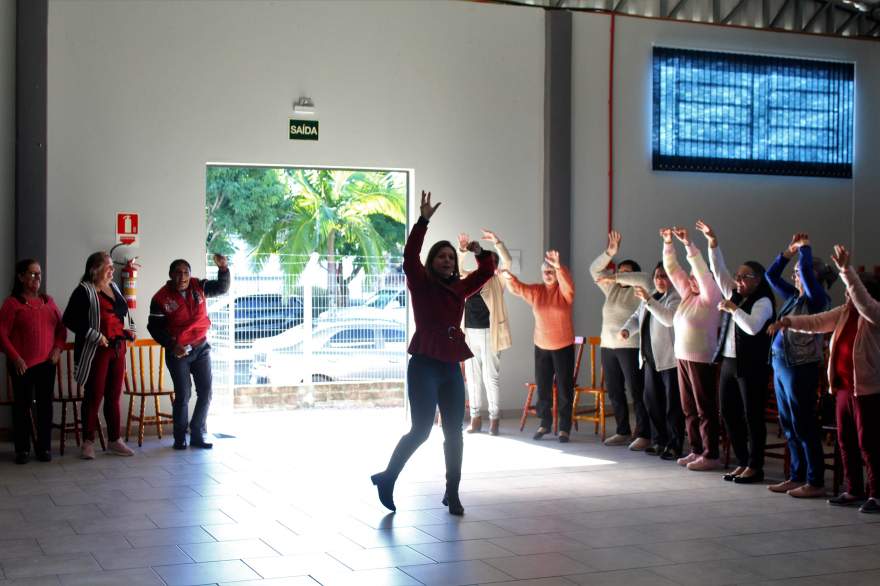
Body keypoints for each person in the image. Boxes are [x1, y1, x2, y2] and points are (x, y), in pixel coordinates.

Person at [371, 191, 494, 516]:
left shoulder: (459, 288)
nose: (447, 261)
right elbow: (410, 255)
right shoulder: (421, 282)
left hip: (451, 367)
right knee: (422, 429)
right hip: (424, 365)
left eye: (451, 258)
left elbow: (486, 272)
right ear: (432, 262)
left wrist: (478, 251)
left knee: (454, 432)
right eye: (441, 256)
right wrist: (423, 221)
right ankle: (388, 477)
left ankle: (452, 493)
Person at [769, 245, 880, 514]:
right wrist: (788, 322)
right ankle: (853, 489)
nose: (847, 296)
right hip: (843, 387)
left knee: (869, 443)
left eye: (851, 292)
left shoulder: (873, 313)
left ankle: (876, 494)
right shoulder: (844, 312)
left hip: (866, 389)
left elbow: (863, 301)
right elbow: (817, 322)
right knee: (846, 441)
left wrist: (845, 270)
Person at [697, 220, 775, 484]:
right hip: (730, 361)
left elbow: (753, 328)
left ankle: (756, 466)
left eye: (745, 277)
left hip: (752, 365)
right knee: (728, 413)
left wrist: (732, 309)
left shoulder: (763, 300)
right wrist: (712, 242)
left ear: (757, 280)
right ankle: (743, 461)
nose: (739, 280)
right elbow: (719, 271)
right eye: (738, 276)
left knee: (752, 415)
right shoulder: (736, 292)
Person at [764, 233, 830, 498]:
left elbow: (805, 270)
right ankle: (796, 475)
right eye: (793, 274)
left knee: (804, 423)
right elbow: (770, 276)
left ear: (811, 277)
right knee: (788, 422)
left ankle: (814, 480)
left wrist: (805, 250)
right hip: (781, 364)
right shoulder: (794, 297)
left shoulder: (817, 300)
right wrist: (788, 251)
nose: (794, 276)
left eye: (799, 274)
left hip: (801, 367)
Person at [147, 254, 230, 450]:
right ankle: (179, 437)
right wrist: (171, 344)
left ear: (190, 275)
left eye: (185, 273)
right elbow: (154, 328)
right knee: (184, 394)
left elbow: (222, 287)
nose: (182, 277)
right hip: (178, 352)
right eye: (177, 273)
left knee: (206, 392)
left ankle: (197, 433)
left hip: (201, 347)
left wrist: (223, 269)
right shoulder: (160, 298)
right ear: (170, 275)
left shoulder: (198, 286)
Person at [63, 251, 136, 459]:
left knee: (114, 396)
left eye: (112, 267)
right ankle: (88, 441)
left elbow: (125, 312)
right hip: (97, 350)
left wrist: (131, 331)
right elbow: (69, 319)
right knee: (94, 395)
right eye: (109, 267)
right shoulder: (84, 291)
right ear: (94, 269)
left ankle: (115, 440)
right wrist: (94, 335)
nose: (112, 270)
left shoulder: (113, 287)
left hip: (117, 348)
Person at [662, 226, 723, 471]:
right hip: (683, 358)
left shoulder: (711, 297)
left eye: (695, 278)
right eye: (690, 279)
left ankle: (711, 454)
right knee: (688, 407)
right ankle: (696, 449)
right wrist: (668, 244)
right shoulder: (687, 295)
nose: (690, 280)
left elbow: (702, 272)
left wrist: (689, 245)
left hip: (702, 359)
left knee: (705, 408)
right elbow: (672, 270)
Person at [503, 248, 576, 443]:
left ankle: (564, 428)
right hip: (542, 346)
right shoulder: (536, 291)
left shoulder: (564, 292)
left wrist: (559, 266)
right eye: (546, 272)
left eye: (552, 272)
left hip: (563, 346)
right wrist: (508, 277)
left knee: (564, 388)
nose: (548, 275)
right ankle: (544, 423)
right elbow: (518, 288)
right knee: (543, 388)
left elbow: (568, 283)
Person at [0, 259, 67, 464]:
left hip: (46, 363)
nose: (37, 277)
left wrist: (57, 349)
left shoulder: (49, 302)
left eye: (39, 273)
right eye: (31, 274)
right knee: (22, 406)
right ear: (21, 277)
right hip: (22, 365)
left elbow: (61, 330)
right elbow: (2, 334)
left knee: (46, 406)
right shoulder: (12, 304)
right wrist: (16, 358)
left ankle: (44, 448)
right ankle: (22, 449)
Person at [591, 230, 653, 450]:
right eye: (620, 271)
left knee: (637, 390)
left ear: (633, 275)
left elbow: (645, 277)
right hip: (608, 345)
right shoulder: (612, 289)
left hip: (630, 346)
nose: (621, 275)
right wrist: (610, 252)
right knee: (615, 390)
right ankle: (623, 430)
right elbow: (594, 270)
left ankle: (644, 433)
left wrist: (616, 275)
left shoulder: (642, 287)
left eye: (627, 273)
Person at [620, 262, 684, 460]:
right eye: (657, 276)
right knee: (652, 402)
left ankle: (674, 444)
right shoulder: (651, 297)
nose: (659, 280)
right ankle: (659, 441)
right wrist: (626, 329)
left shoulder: (676, 297)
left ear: (672, 278)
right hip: (649, 359)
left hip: (669, 360)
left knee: (672, 405)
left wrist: (648, 300)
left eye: (664, 276)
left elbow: (668, 319)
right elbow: (636, 317)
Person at [457, 229, 512, 436]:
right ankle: (475, 418)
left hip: (491, 333)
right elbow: (457, 267)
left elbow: (507, 261)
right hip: (469, 333)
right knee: (472, 377)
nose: (491, 266)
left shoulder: (498, 280)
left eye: (492, 262)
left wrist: (497, 241)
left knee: (491, 378)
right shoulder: (471, 278)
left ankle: (494, 419)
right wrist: (462, 249)